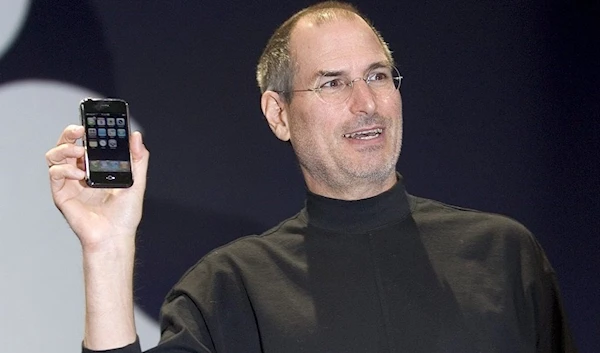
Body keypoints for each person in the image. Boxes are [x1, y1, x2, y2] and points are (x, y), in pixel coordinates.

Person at [46, 2, 577, 352]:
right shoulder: (230, 289)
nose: (367, 103)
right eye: (332, 84)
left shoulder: (503, 254)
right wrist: (108, 250)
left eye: (377, 76)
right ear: (278, 115)